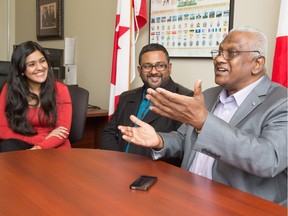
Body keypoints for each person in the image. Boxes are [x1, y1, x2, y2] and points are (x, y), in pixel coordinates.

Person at [118, 26, 288, 205]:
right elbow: (184, 139)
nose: (219, 59)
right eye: (219, 52)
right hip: (187, 197)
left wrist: (205, 123)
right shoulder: (208, 95)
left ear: (257, 63)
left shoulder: (281, 101)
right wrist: (160, 141)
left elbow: (269, 159)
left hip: (236, 206)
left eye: (231, 53)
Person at [100, 43, 193, 166]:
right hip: (118, 167)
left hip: (155, 172)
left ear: (169, 68)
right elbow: (108, 134)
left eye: (160, 66)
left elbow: (183, 146)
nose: (154, 71)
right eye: (147, 66)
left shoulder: (184, 98)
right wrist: (119, 162)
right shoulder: (126, 97)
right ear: (139, 70)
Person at [0, 41, 72, 151]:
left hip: (54, 144)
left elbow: (62, 131)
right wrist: (39, 141)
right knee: (8, 147)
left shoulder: (60, 89)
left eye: (42, 61)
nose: (40, 67)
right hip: (23, 141)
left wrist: (39, 147)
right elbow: (2, 129)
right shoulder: (10, 89)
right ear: (21, 69)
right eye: (31, 64)